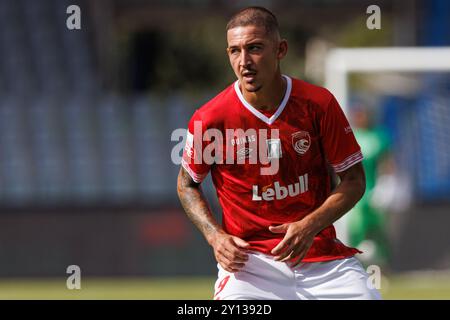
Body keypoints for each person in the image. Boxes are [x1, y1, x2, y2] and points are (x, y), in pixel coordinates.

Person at [177, 6, 381, 300]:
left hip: (322, 261)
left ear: (281, 49)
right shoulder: (210, 118)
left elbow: (354, 180)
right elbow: (187, 183)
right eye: (235, 51)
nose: (244, 61)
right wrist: (215, 236)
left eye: (255, 48)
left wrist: (309, 225)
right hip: (249, 266)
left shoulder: (318, 104)